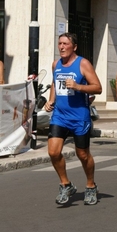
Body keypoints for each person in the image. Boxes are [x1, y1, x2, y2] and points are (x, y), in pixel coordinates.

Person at [44, 33, 102, 205]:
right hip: (60, 116)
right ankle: (65, 184)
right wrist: (51, 100)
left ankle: (90, 185)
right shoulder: (56, 64)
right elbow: (55, 83)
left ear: (74, 47)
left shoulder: (83, 64)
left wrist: (78, 86)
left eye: (65, 44)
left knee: (82, 155)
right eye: (59, 43)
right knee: (53, 152)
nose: (61, 47)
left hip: (79, 117)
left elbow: (97, 88)